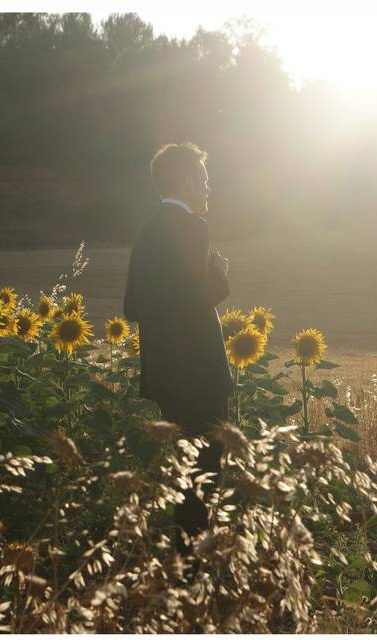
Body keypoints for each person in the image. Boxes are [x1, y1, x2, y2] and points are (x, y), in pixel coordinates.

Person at [122, 142, 232, 550]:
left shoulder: (147, 234)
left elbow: (132, 307)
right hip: (201, 373)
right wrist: (220, 276)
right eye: (203, 179)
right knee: (208, 470)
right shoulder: (194, 229)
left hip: (165, 375)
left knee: (183, 470)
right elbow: (197, 299)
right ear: (186, 181)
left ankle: (182, 556)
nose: (208, 187)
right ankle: (198, 562)